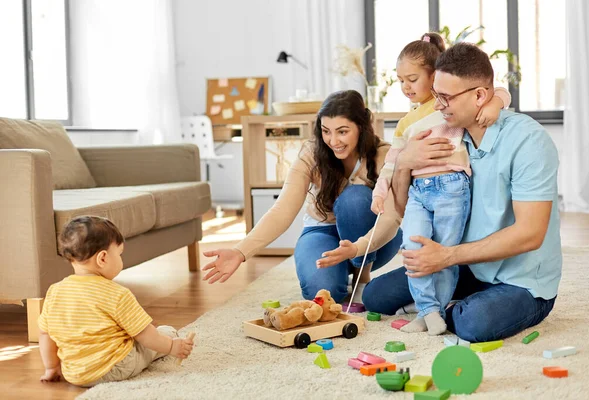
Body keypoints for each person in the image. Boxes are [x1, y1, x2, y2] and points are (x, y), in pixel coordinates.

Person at [362, 42, 561, 343]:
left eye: (444, 97)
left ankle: (448, 309)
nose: (437, 105)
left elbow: (530, 233)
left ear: (480, 96)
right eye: (435, 94)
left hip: (521, 281)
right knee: (376, 295)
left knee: (474, 323)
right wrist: (404, 163)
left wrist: (445, 257)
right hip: (467, 266)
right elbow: (402, 208)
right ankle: (448, 303)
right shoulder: (448, 135)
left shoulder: (528, 141)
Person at [202, 90, 404, 303]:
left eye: (342, 132)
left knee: (355, 199)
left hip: (373, 239)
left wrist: (357, 248)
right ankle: (339, 274)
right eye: (326, 131)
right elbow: (282, 210)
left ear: (361, 127)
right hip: (322, 231)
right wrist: (239, 252)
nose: (333, 141)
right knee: (323, 293)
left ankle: (361, 278)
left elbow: (392, 217)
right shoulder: (312, 153)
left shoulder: (384, 154)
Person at [370, 33, 511, 335]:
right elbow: (392, 163)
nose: (406, 87)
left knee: (444, 254)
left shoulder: (449, 105)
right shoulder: (408, 123)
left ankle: (434, 311)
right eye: (400, 81)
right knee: (413, 249)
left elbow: (495, 89)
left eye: (412, 79)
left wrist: (495, 105)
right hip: (419, 193)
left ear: (435, 77)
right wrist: (380, 190)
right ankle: (428, 309)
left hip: (451, 186)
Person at [38, 216, 194, 387]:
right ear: (103, 258)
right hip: (115, 367)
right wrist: (172, 347)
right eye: (119, 254)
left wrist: (52, 367)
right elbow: (144, 334)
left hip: (74, 374)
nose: (121, 259)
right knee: (165, 332)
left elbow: (45, 334)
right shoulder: (116, 293)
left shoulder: (54, 291)